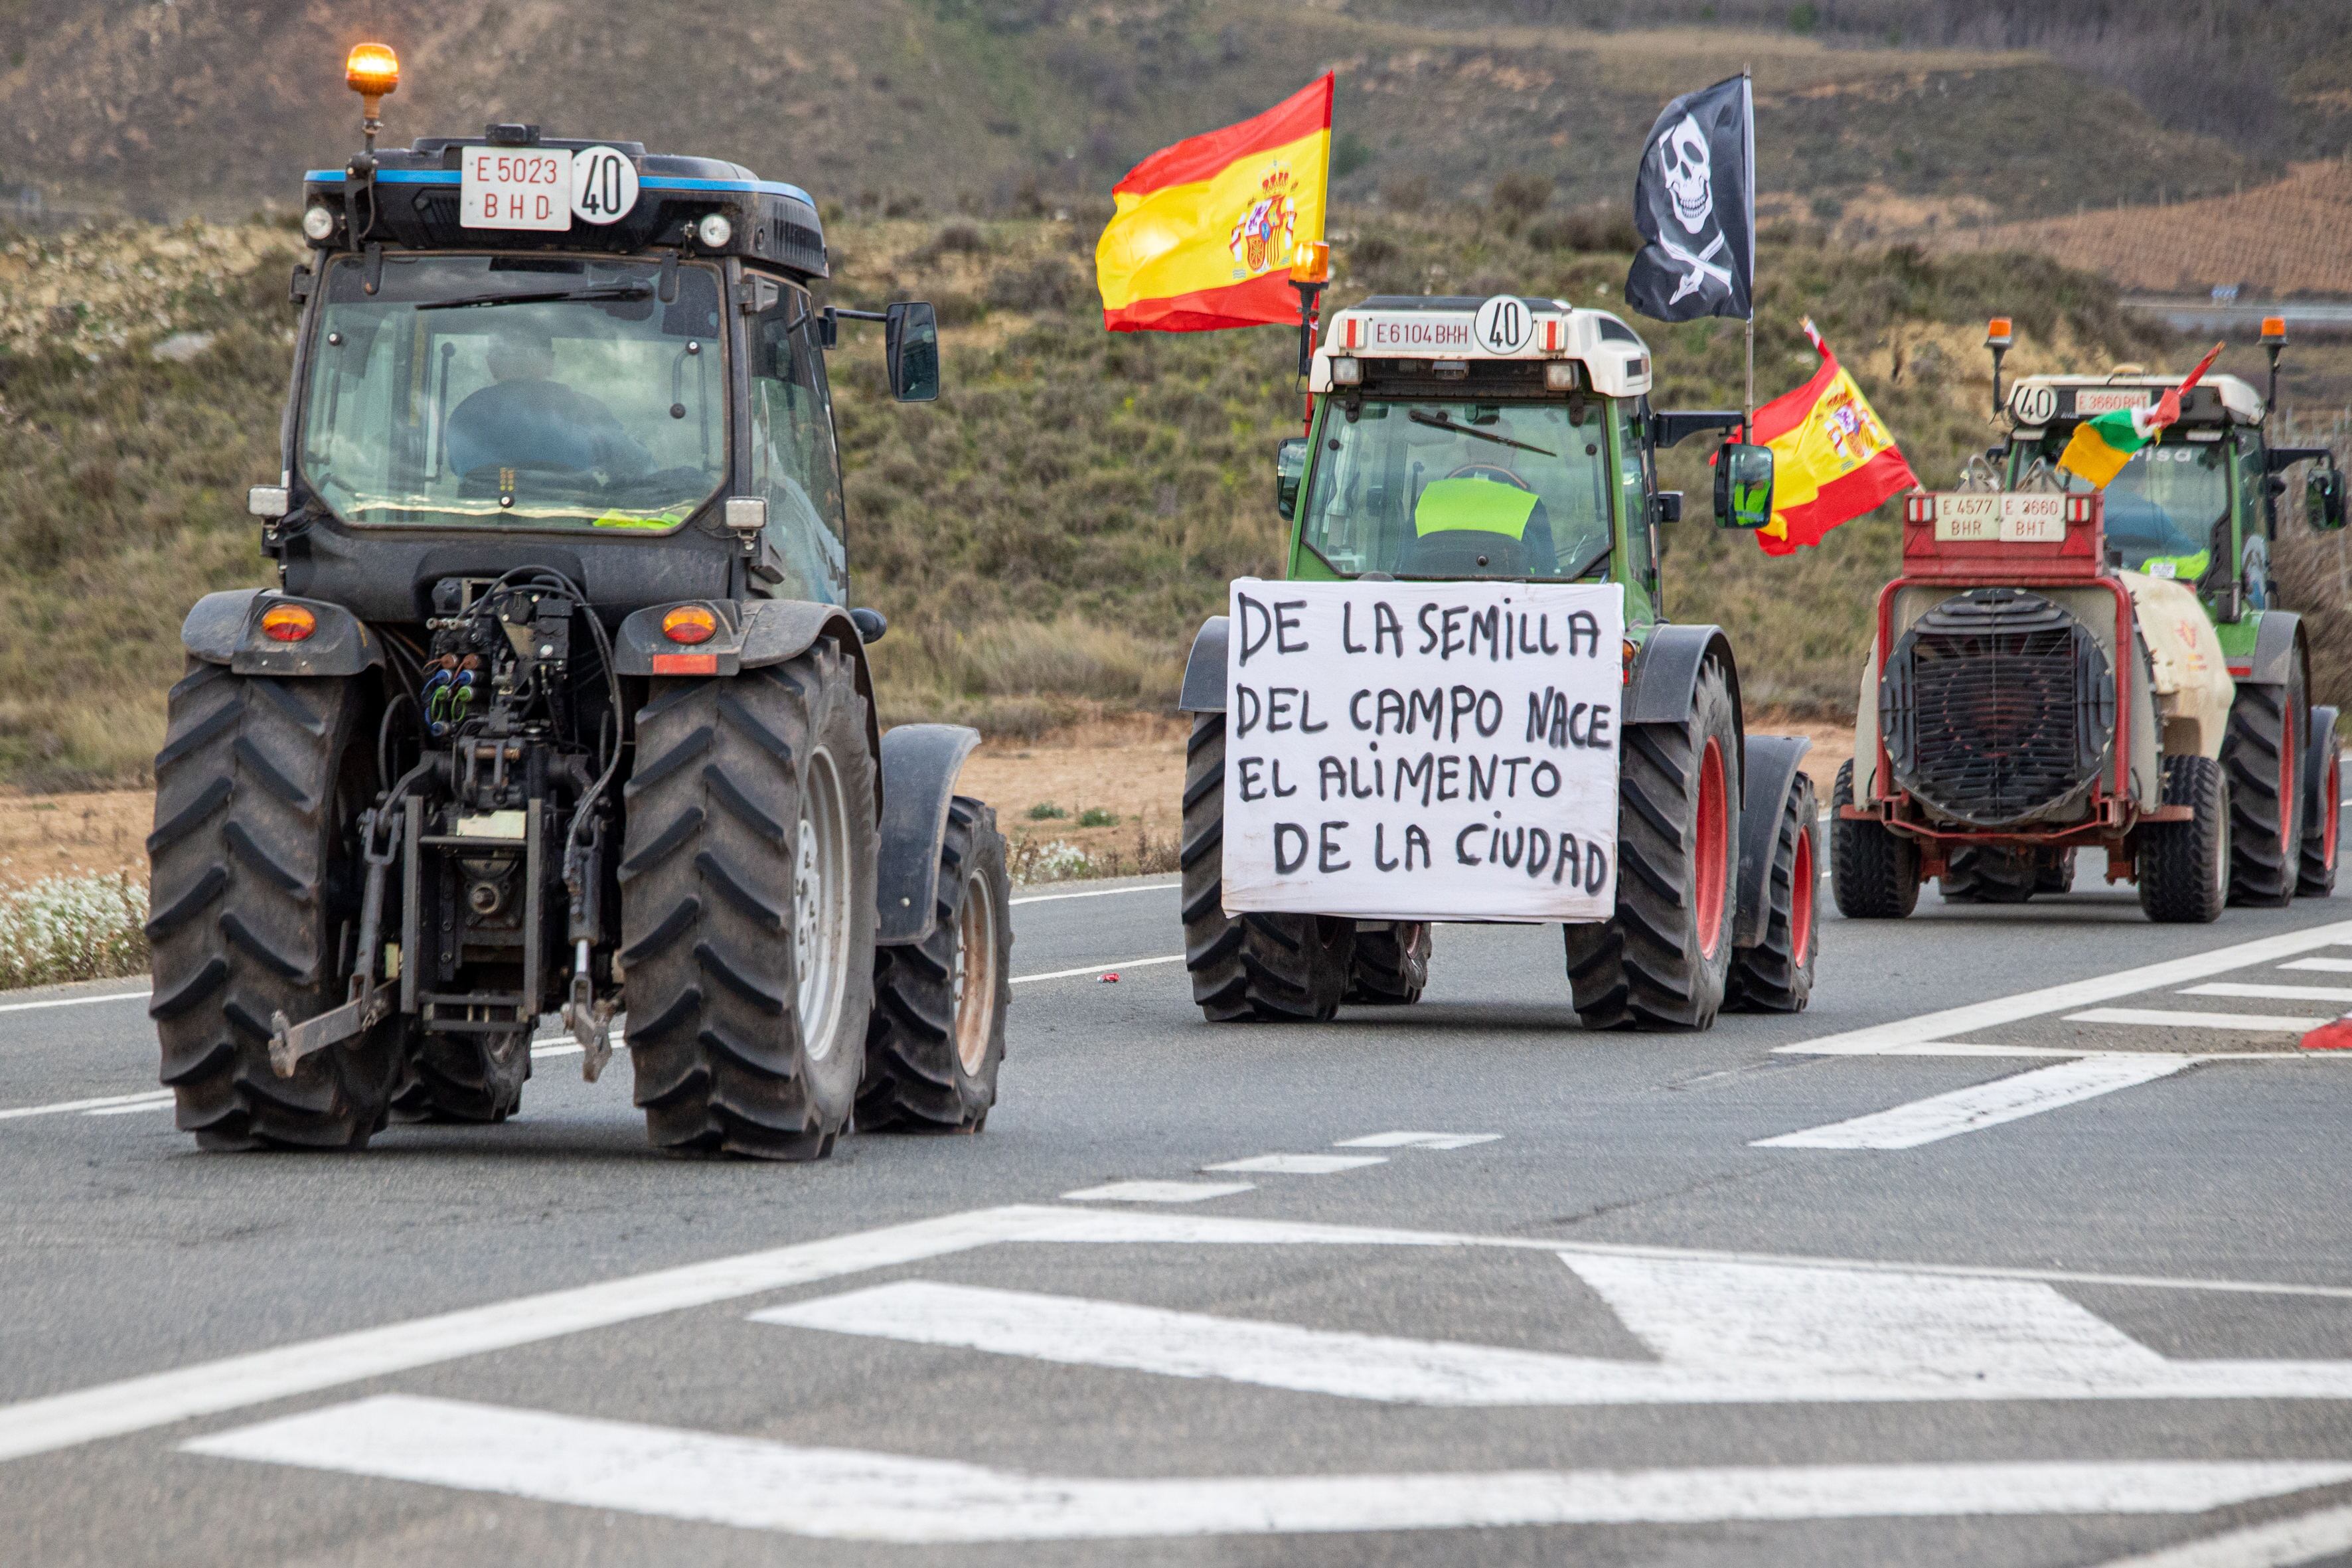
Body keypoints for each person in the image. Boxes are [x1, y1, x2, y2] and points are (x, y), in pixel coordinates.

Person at [444, 327, 653, 485]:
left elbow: (459, 466)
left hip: (474, 525)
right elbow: (637, 466)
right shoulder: (585, 410)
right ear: (549, 362)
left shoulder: (466, 414)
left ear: (492, 364)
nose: (519, 362)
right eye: (512, 355)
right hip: (574, 525)